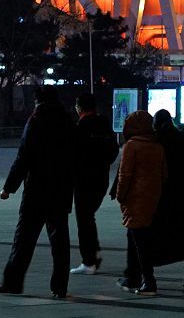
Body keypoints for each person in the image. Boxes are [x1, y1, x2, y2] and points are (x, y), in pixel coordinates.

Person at [0, 88, 76, 299]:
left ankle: (13, 282)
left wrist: (9, 188)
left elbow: (24, 157)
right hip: (61, 189)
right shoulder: (67, 121)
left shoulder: (36, 120)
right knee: (60, 241)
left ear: (38, 101)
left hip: (37, 190)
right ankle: (60, 287)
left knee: (24, 239)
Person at [147, 110, 184, 290]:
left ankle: (148, 274)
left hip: (162, 190)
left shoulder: (156, 139)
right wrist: (183, 171)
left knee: (157, 230)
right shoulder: (178, 136)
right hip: (180, 190)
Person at [113, 111, 167, 296]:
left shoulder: (132, 146)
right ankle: (135, 276)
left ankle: (148, 282)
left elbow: (124, 175)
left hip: (136, 199)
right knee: (139, 238)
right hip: (153, 198)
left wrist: (120, 195)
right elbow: (164, 174)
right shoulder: (157, 146)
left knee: (140, 242)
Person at [70, 92, 118, 275]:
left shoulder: (81, 127)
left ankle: (89, 260)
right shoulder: (104, 125)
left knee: (84, 219)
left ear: (80, 107)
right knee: (88, 216)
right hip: (101, 178)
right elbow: (113, 151)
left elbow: (74, 155)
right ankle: (93, 253)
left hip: (84, 179)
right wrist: (103, 164)